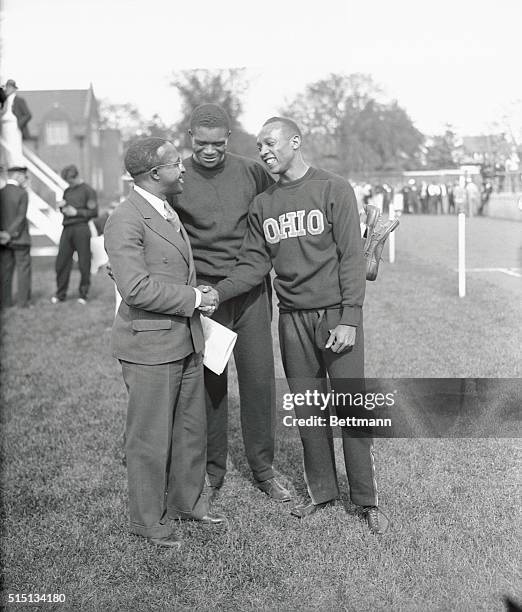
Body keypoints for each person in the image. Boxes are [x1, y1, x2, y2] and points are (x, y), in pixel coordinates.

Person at [215, 117, 388, 534]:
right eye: (259, 146)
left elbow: (351, 257)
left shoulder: (333, 188)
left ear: (295, 141)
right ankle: (323, 493)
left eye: (270, 143)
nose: (264, 151)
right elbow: (253, 264)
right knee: (310, 410)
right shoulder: (263, 204)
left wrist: (349, 318)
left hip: (335, 316)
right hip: (293, 320)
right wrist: (215, 293)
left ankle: (366, 501)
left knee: (351, 411)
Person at [104, 137, 226, 548]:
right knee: (150, 439)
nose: (185, 169)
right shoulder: (125, 218)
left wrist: (195, 291)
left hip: (184, 339)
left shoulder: (165, 209)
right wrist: (194, 298)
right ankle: (146, 521)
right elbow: (136, 288)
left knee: (191, 430)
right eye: (177, 164)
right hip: (150, 347)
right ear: (155, 174)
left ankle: (186, 503)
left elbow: (168, 271)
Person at [170, 104, 290, 502]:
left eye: (217, 144)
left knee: (258, 383)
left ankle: (263, 469)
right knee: (210, 386)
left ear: (228, 140)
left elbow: (273, 223)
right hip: (206, 299)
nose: (209, 151)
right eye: (201, 143)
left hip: (251, 292)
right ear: (190, 137)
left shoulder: (251, 171)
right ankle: (211, 472)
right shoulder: (179, 176)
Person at [51, 165, 98, 304]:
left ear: (76, 176)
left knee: (84, 262)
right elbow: (65, 210)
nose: (68, 183)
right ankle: (60, 294)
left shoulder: (88, 191)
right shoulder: (67, 190)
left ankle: (83, 294)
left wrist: (76, 212)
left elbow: (94, 212)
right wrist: (62, 206)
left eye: (69, 180)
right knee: (61, 263)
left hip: (81, 228)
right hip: (67, 228)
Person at [0, 166, 31, 308]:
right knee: (23, 271)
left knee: (6, 271)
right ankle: (22, 302)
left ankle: (5, 302)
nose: (26, 179)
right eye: (25, 177)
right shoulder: (22, 193)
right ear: (18, 175)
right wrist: (10, 233)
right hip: (20, 239)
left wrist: (3, 233)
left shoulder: (1, 192)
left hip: (3, 240)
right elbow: (21, 217)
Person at [0, 79, 31, 168]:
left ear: (14, 89)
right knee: (6, 147)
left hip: (14, 125)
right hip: (4, 125)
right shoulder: (3, 101)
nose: (7, 89)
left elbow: (28, 114)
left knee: (14, 145)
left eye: (10, 87)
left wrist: (19, 124)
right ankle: (9, 164)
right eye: (7, 87)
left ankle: (17, 164)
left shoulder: (19, 100)